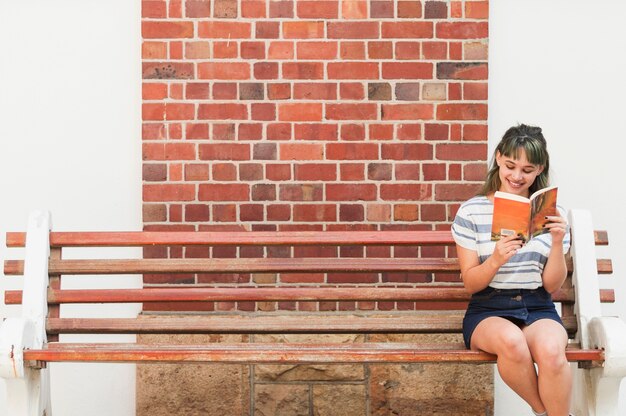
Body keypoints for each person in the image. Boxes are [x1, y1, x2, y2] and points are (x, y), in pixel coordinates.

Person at [451, 124, 572, 416]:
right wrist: (495, 260)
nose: (517, 176)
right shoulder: (471, 211)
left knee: (553, 353)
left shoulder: (552, 213)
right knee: (511, 341)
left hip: (537, 305)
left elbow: (551, 285)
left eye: (528, 170)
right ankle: (546, 412)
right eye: (510, 166)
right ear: (498, 158)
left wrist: (557, 243)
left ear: (539, 169)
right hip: (488, 309)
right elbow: (471, 283)